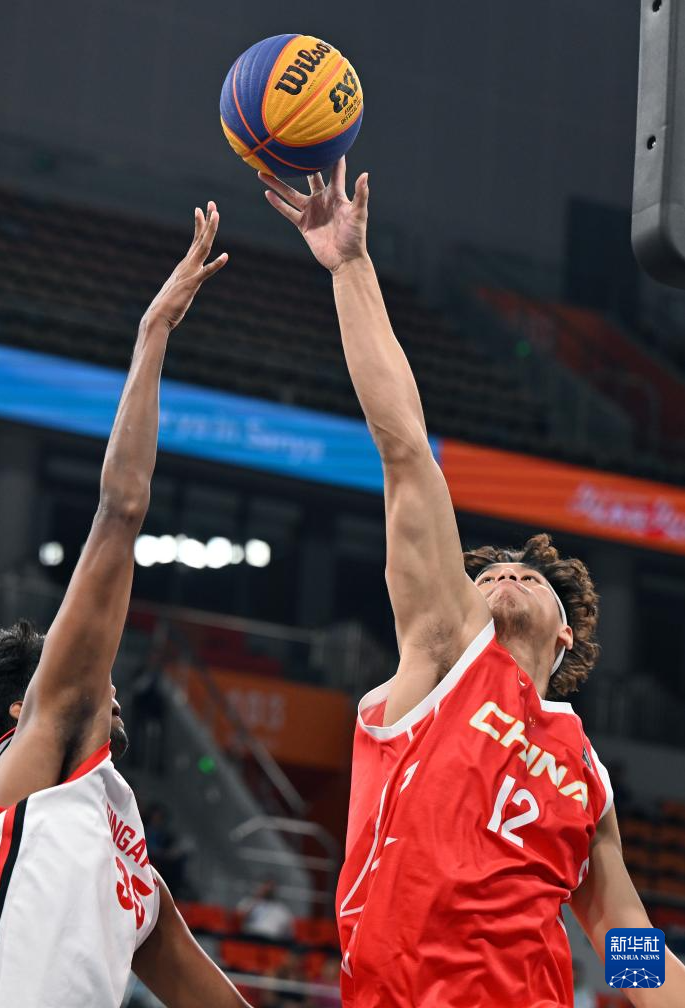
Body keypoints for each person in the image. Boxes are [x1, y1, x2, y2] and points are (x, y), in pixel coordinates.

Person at [260, 158, 685, 1007]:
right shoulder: (446, 653)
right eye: (488, 572)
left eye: (530, 576)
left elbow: (619, 932)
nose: (508, 573)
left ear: (565, 635)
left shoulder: (586, 770)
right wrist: (349, 268)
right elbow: (403, 447)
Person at [0, 205, 252, 1008]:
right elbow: (120, 510)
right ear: (24, 708)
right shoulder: (37, 774)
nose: (106, 681)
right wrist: (152, 333)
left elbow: (221, 1004)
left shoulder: (131, 863)